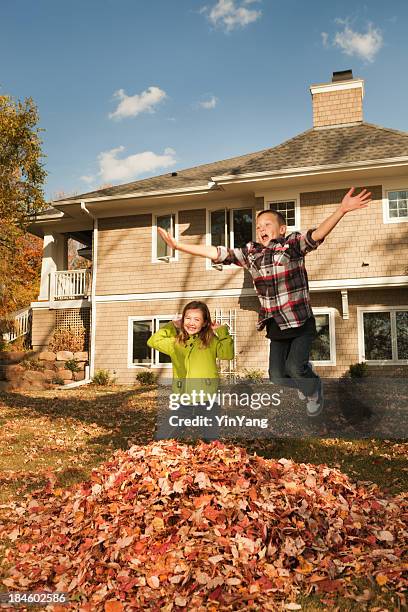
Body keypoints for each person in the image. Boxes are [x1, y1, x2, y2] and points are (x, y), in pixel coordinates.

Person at [157, 187, 372, 418]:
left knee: (294, 369)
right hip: (275, 325)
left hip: (299, 321)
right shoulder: (251, 253)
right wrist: (179, 247)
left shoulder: (292, 245)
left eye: (267, 225)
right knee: (276, 376)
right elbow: (217, 252)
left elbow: (317, 235)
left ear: (281, 229)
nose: (261, 230)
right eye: (258, 227)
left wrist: (342, 210)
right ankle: (304, 383)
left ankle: (313, 389)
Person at [147, 300, 234, 440]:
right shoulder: (176, 343)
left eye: (197, 319)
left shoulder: (211, 341)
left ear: (205, 323)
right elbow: (153, 341)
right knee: (162, 437)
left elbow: (227, 354)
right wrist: (171, 326)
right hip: (184, 400)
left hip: (208, 400)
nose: (191, 323)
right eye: (187, 318)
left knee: (211, 440)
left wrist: (222, 332)